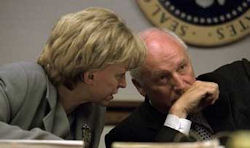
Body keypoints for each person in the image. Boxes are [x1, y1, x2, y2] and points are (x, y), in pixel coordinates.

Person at [0, 7, 146, 148]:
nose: (123, 84)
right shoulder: (21, 80)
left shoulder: (95, 108)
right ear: (90, 76)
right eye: (119, 75)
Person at [105, 28, 250, 148]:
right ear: (140, 86)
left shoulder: (240, 79)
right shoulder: (126, 136)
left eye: (182, 67)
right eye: (163, 77)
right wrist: (179, 112)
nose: (180, 85)